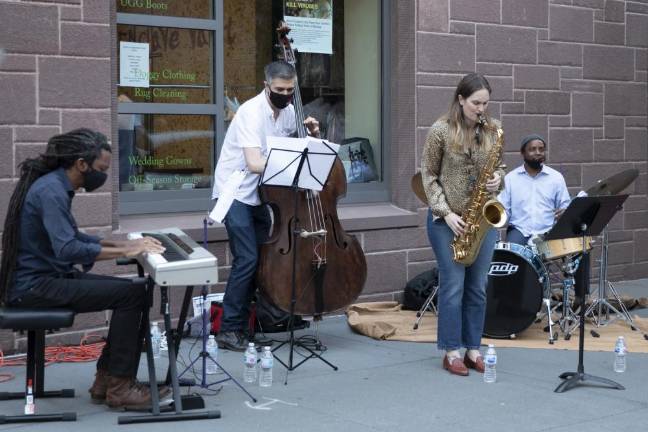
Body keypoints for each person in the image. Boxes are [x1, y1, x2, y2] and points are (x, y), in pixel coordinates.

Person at [0, 128, 169, 410]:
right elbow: (68, 249)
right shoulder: (51, 192)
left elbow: (76, 238)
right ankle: (120, 386)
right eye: (101, 169)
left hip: (45, 279)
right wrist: (127, 249)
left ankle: (106, 380)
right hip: (35, 286)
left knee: (132, 291)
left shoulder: (53, 185)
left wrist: (124, 245)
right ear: (81, 164)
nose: (103, 175)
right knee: (131, 296)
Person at [212, 60, 320, 351]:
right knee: (246, 259)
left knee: (259, 262)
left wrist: (310, 136)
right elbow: (255, 162)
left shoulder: (287, 113)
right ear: (266, 86)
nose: (286, 95)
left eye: (290, 90)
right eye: (280, 89)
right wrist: (291, 159)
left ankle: (249, 322)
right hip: (234, 191)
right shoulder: (250, 112)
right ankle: (228, 329)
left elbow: (296, 149)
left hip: (259, 195)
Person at [421, 73, 505, 377]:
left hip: (482, 220)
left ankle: (473, 348)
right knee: (453, 286)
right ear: (460, 99)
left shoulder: (493, 131)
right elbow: (427, 176)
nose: (481, 109)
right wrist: (445, 213)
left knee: (478, 288)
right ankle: (451, 350)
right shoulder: (440, 131)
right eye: (476, 103)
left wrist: (499, 179)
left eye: (485, 103)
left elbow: (500, 167)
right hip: (447, 222)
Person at [498, 134, 571, 246]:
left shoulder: (556, 177)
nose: (538, 152)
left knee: (578, 250)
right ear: (523, 153)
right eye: (532, 149)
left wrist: (565, 211)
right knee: (511, 255)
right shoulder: (510, 178)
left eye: (541, 149)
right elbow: (503, 210)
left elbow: (565, 206)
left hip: (548, 231)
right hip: (519, 230)